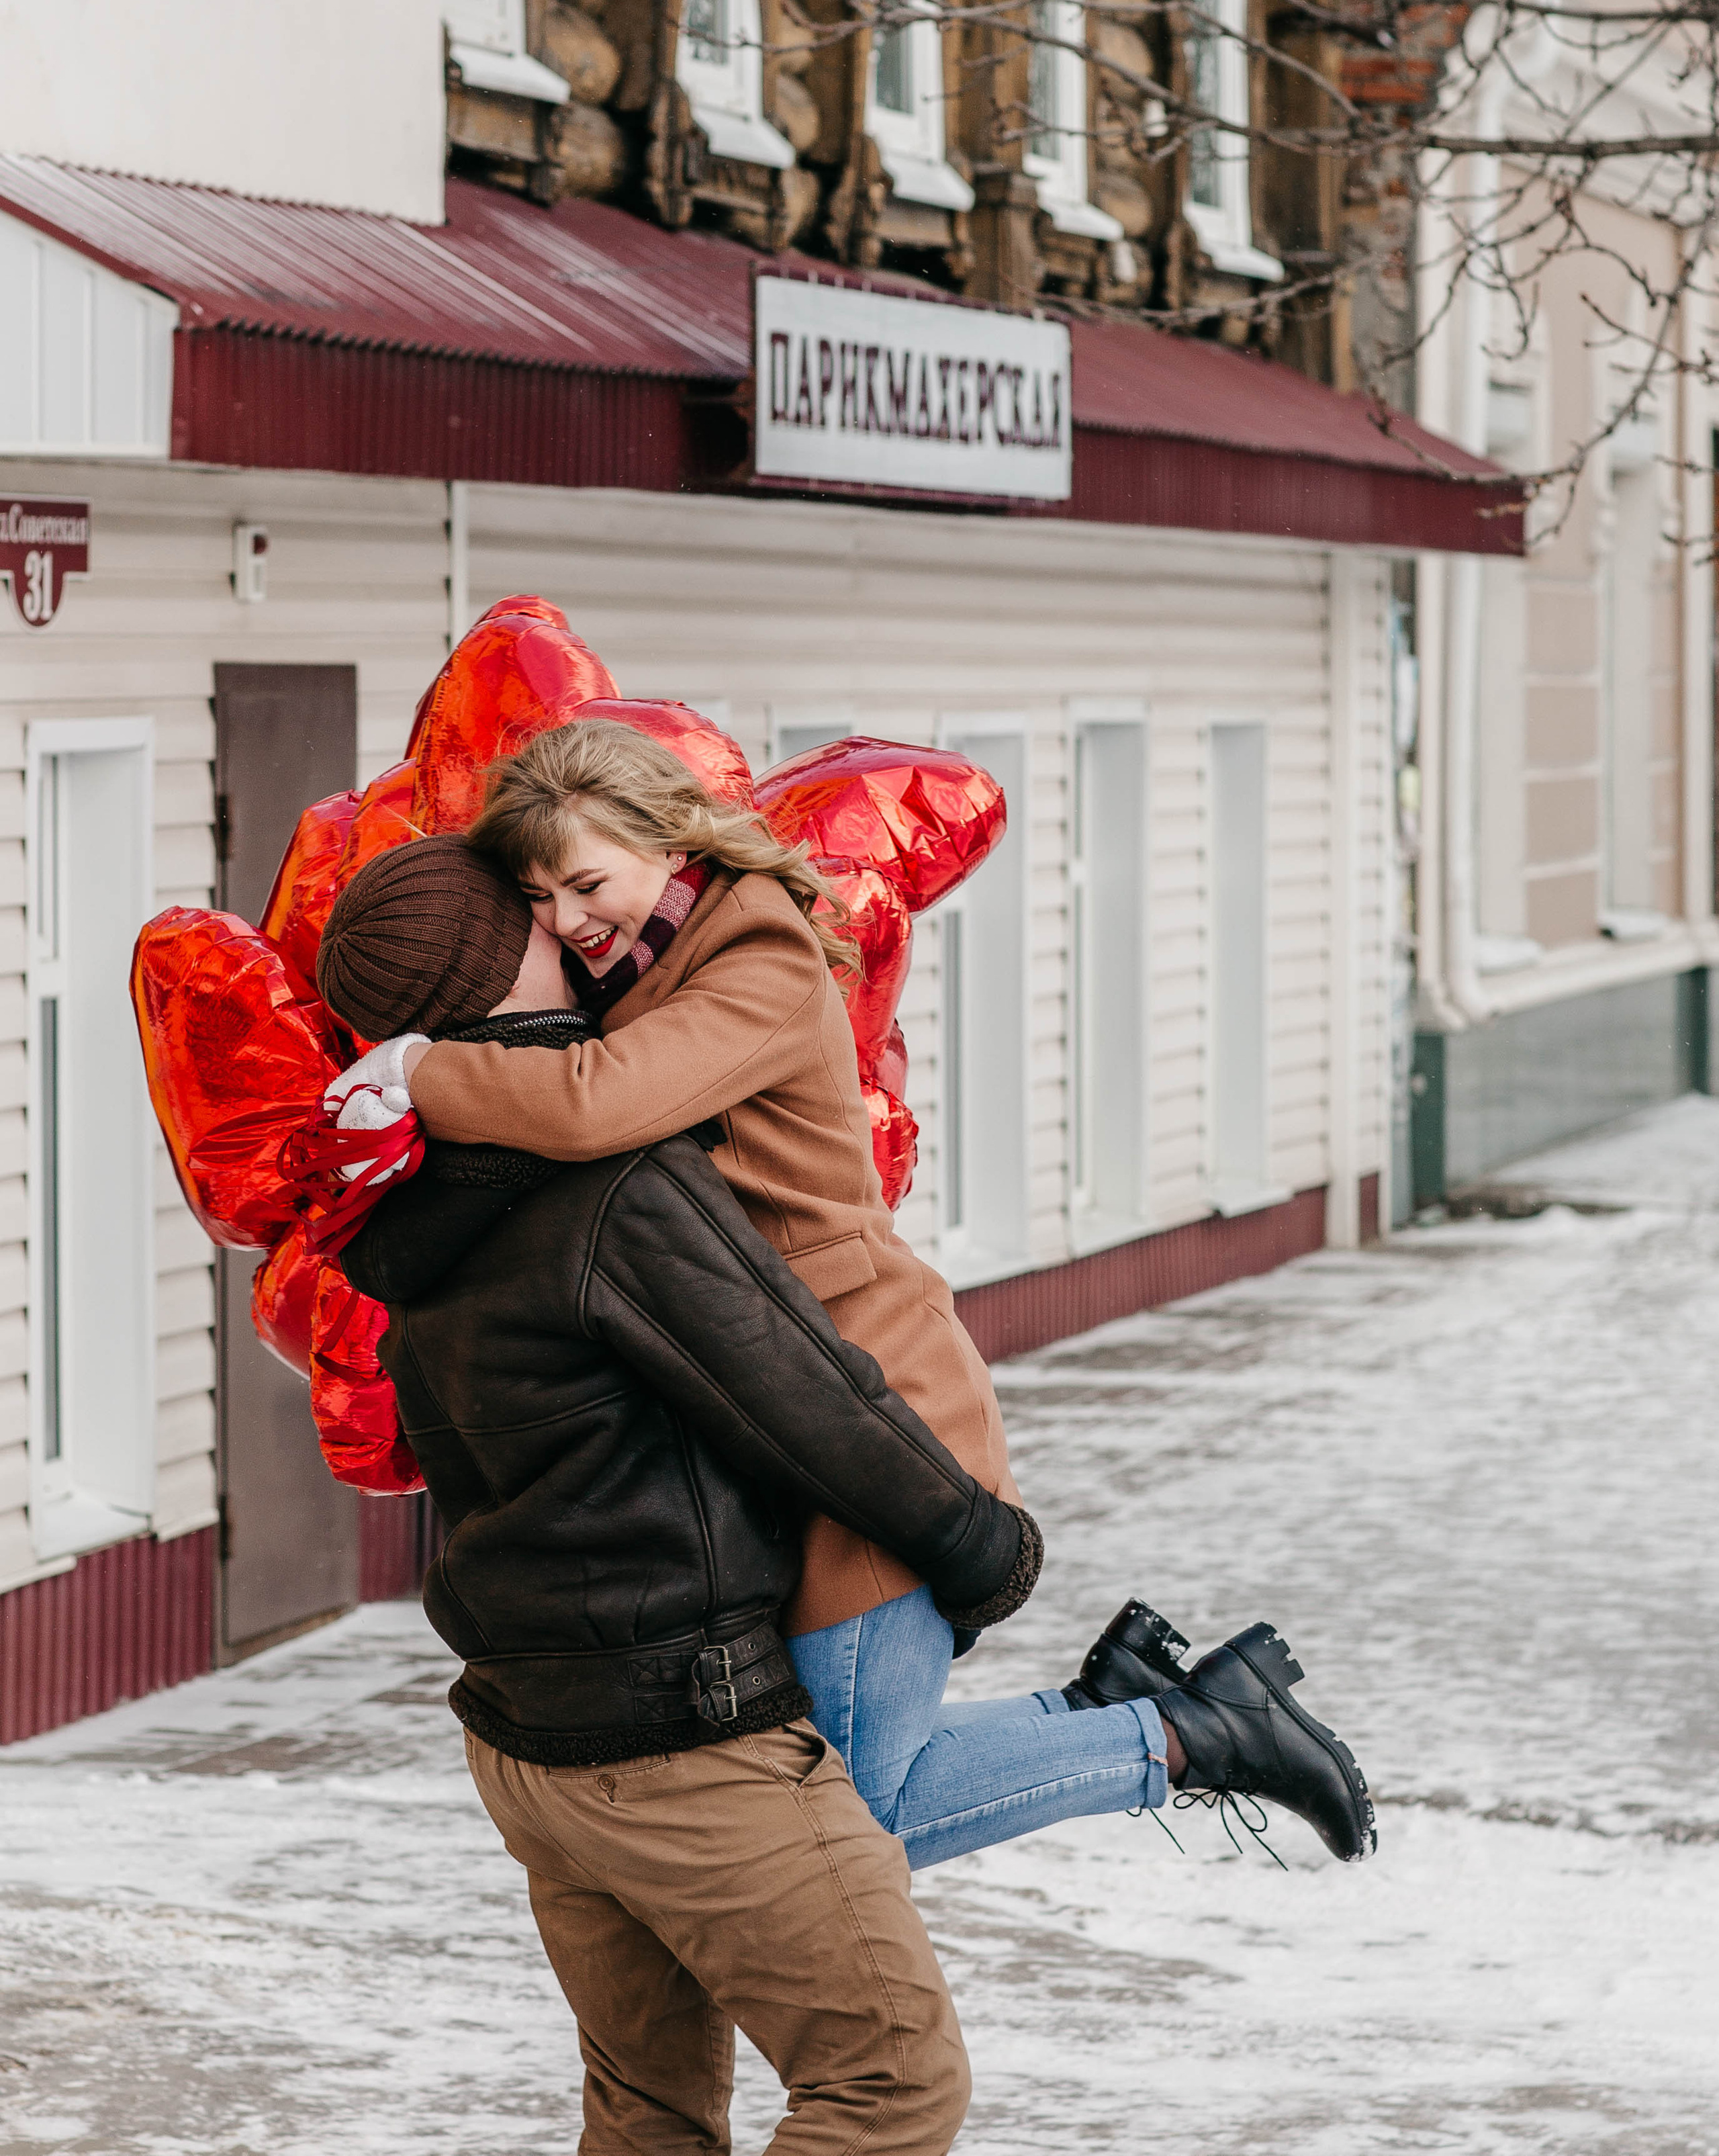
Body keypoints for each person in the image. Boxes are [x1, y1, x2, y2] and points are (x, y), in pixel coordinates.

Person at [323, 727, 1375, 1869]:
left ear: (668, 838)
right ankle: (1119, 1705)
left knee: (856, 1823)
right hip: (779, 1414)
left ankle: (1185, 1733)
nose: (573, 920)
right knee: (841, 1787)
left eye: (589, 882)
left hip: (868, 1405)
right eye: (542, 900)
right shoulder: (635, 974)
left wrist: (420, 1071)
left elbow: (592, 1105)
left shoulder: (755, 958)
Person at [325, 834, 1036, 2156]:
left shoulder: (408, 1209)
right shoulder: (618, 1185)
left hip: (526, 1734)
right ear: (512, 954)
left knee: (648, 2118)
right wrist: (976, 1542)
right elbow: (803, 1395)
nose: (575, 922)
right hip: (681, 1734)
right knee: (888, 2085)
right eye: (538, 909)